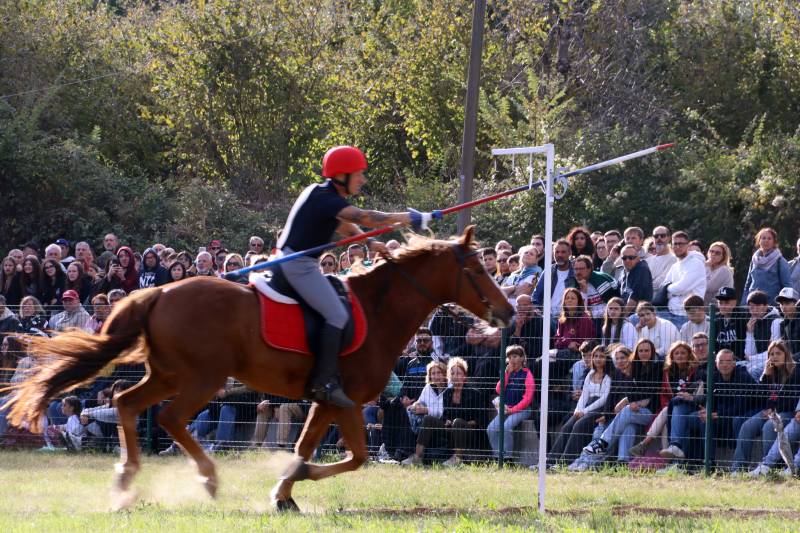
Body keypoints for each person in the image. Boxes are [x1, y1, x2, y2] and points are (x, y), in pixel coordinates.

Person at [275, 145, 424, 407]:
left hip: (301, 263)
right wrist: (411, 218)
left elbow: (344, 224)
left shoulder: (322, 195)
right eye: (358, 174)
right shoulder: (326, 198)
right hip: (297, 265)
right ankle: (324, 382)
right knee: (337, 314)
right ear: (342, 175)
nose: (363, 179)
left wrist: (368, 244)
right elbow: (366, 217)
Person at [401, 358, 484, 467]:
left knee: (458, 422)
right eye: (452, 373)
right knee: (428, 419)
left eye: (458, 373)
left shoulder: (474, 393)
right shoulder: (448, 393)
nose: (455, 376)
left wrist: (464, 424)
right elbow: (445, 414)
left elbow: (481, 419)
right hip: (449, 429)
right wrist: (446, 421)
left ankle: (457, 459)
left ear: (464, 376)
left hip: (468, 431)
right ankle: (417, 457)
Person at [731, 341, 800, 472]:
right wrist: (765, 376)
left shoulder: (796, 371)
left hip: (788, 413)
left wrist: (774, 410)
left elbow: (793, 400)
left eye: (778, 353)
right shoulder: (771, 371)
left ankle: (769, 468)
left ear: (786, 354)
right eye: (771, 354)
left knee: (769, 426)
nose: (774, 357)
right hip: (770, 411)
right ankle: (737, 468)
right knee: (747, 426)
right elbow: (760, 397)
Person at [549, 344, 612, 466]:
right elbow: (584, 395)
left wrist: (585, 411)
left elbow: (604, 399)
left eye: (602, 356)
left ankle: (564, 462)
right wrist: (578, 410)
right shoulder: (590, 373)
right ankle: (550, 461)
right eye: (596, 356)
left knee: (579, 426)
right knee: (567, 426)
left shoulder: (608, 376)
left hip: (599, 408)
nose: (598, 359)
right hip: (585, 406)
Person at [486, 345, 535, 460]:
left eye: (515, 356)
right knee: (491, 429)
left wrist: (513, 410)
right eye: (509, 357)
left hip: (522, 410)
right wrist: (506, 374)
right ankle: (498, 457)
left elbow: (527, 399)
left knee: (506, 427)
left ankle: (507, 458)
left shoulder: (527, 375)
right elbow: (498, 390)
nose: (512, 360)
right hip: (506, 409)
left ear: (522, 358)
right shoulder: (508, 372)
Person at [400, 361, 449, 466]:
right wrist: (415, 406)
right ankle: (405, 452)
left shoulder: (449, 388)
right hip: (427, 422)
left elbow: (443, 411)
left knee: (427, 419)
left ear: (445, 373)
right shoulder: (428, 387)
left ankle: (417, 456)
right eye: (433, 373)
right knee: (408, 410)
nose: (436, 376)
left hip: (444, 423)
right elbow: (420, 401)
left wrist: (426, 410)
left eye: (439, 373)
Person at [659, 231, 706, 328]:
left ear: (688, 246)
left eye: (680, 243)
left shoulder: (696, 263)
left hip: (687, 316)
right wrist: (669, 288)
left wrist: (669, 288)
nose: (677, 246)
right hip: (670, 312)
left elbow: (681, 288)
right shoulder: (675, 266)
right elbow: (662, 286)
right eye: (675, 244)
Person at [741, 227, 792, 305]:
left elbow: (787, 286)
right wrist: (744, 304)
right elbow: (748, 284)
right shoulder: (754, 260)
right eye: (763, 238)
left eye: (769, 238)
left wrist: (785, 305)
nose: (766, 241)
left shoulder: (780, 261)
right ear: (759, 241)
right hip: (753, 305)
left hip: (771, 305)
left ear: (774, 242)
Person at [572, 255, 619, 319]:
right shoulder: (574, 284)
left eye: (581, 269)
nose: (578, 272)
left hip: (606, 319)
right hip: (587, 320)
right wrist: (584, 292)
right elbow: (578, 310)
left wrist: (591, 314)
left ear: (589, 269)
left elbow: (613, 306)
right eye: (576, 269)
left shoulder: (601, 281)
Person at [619, 245, 653, 316]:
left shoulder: (642, 269)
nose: (627, 260)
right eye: (624, 258)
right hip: (628, 312)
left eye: (631, 257)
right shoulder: (624, 270)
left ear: (637, 258)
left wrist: (621, 317)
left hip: (640, 314)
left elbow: (634, 297)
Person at [645, 226, 677, 292]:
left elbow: (662, 282)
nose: (659, 238)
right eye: (656, 236)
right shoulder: (647, 261)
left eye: (662, 236)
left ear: (668, 238)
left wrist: (644, 286)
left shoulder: (674, 259)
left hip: (660, 300)